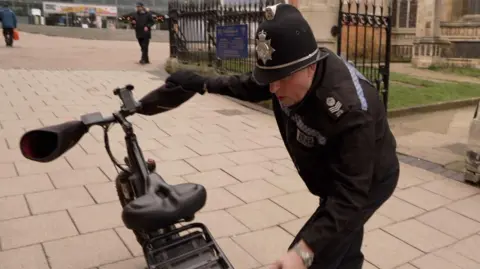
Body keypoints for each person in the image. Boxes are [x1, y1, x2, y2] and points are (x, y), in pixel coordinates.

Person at [164, 3, 399, 269]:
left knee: (316, 255)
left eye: (280, 78)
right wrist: (202, 83)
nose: (273, 88)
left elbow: (349, 198)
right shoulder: (287, 72)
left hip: (368, 181)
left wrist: (302, 253)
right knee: (343, 241)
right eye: (269, 77)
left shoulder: (351, 110)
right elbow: (248, 86)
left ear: (311, 67)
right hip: (332, 175)